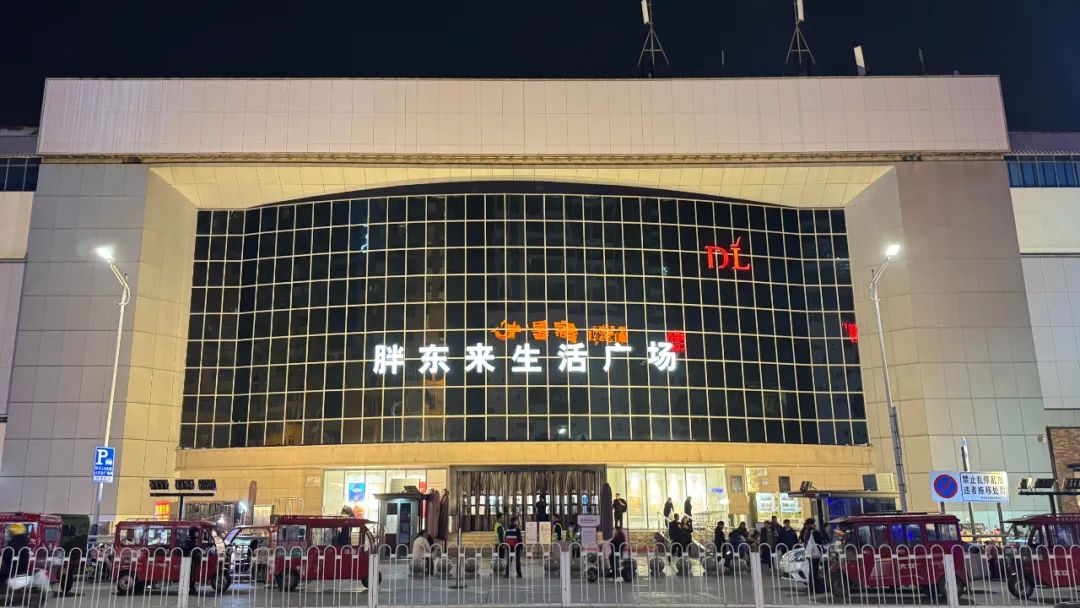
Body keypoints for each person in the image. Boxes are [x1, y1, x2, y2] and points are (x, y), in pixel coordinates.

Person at [801, 518, 827, 594]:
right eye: (813, 523)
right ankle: (815, 588)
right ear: (810, 524)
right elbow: (820, 541)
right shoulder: (813, 532)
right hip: (814, 554)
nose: (815, 525)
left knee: (812, 572)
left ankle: (812, 588)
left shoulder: (805, 531)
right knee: (814, 572)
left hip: (809, 554)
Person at [181, 526, 202, 595]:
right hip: (189, 560)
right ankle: (191, 589)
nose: (197, 534)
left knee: (192, 575)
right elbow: (186, 550)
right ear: (193, 533)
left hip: (192, 560)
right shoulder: (188, 540)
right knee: (190, 575)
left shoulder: (192, 540)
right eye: (196, 532)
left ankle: (192, 588)